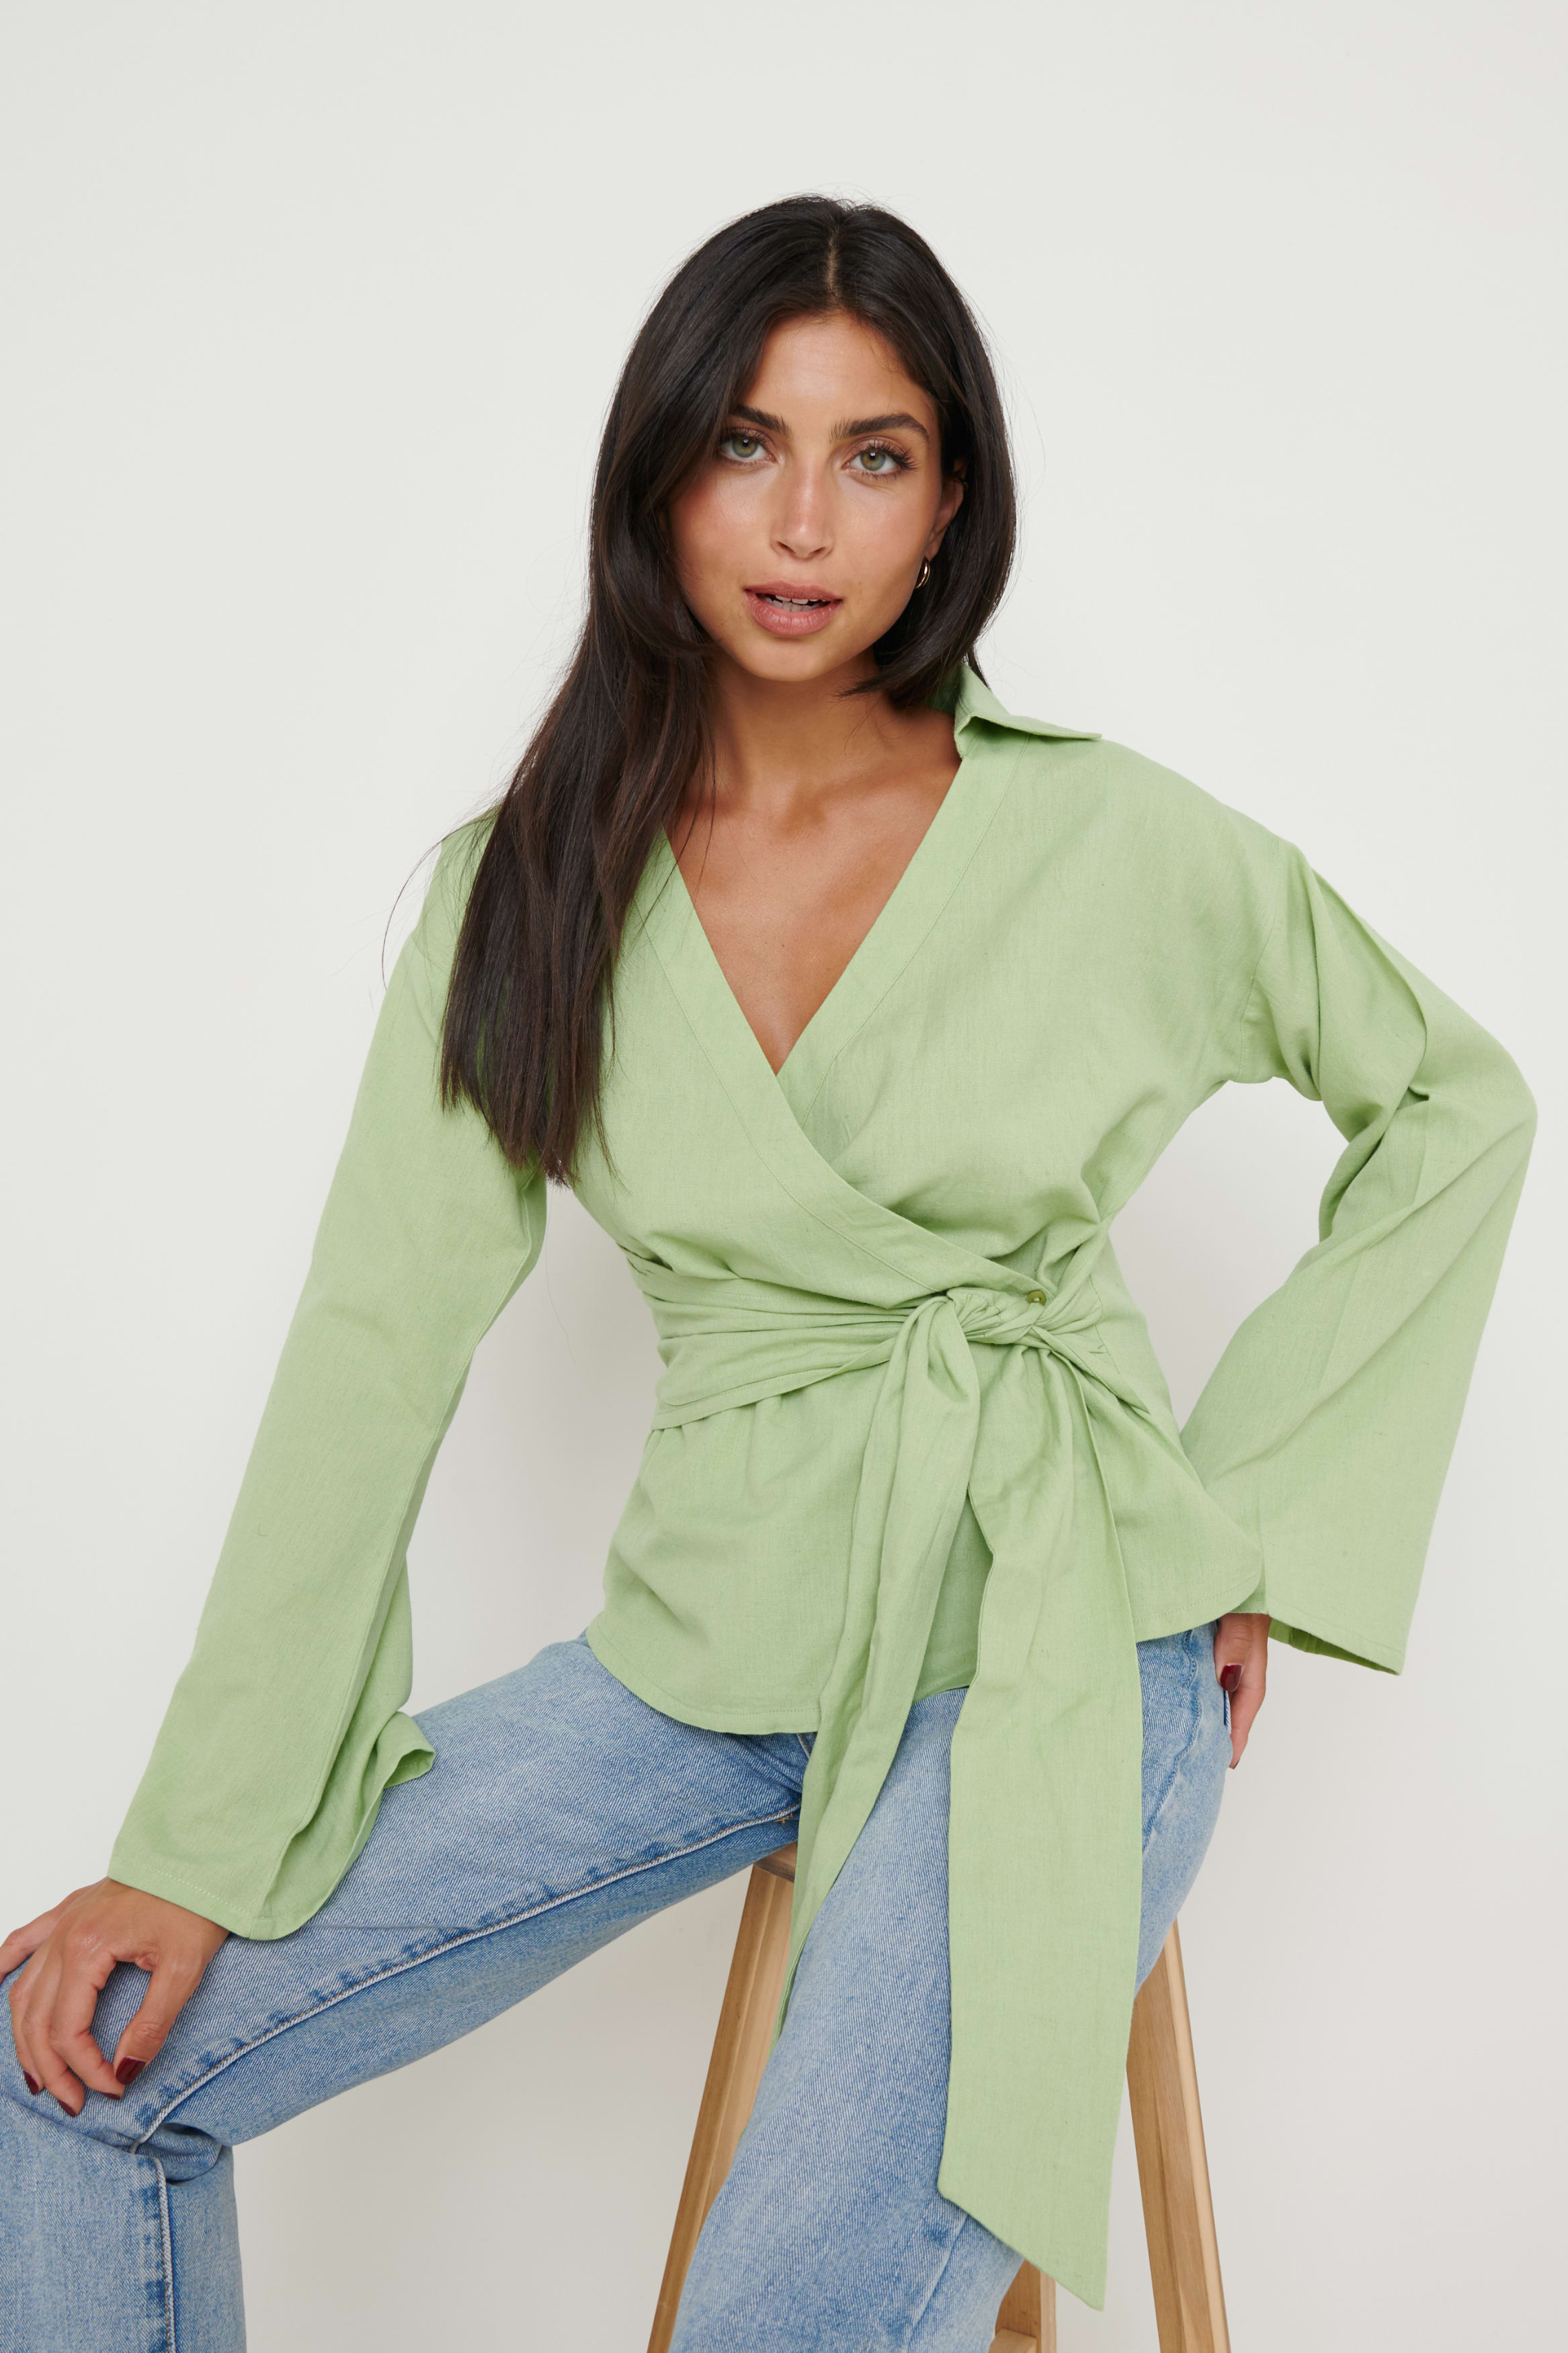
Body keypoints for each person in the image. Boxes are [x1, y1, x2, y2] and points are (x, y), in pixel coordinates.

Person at [1, 196, 1535, 2353]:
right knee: (69, 2077)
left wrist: (1254, 1524)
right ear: (662, 477)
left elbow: (1458, 1101)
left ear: (949, 503)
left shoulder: (1116, 842)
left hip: (1056, 1634)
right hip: (707, 1647)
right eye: (746, 443)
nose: (804, 519)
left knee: (780, 2319)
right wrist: (196, 1837)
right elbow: (374, 1348)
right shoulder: (533, 884)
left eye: (873, 454)